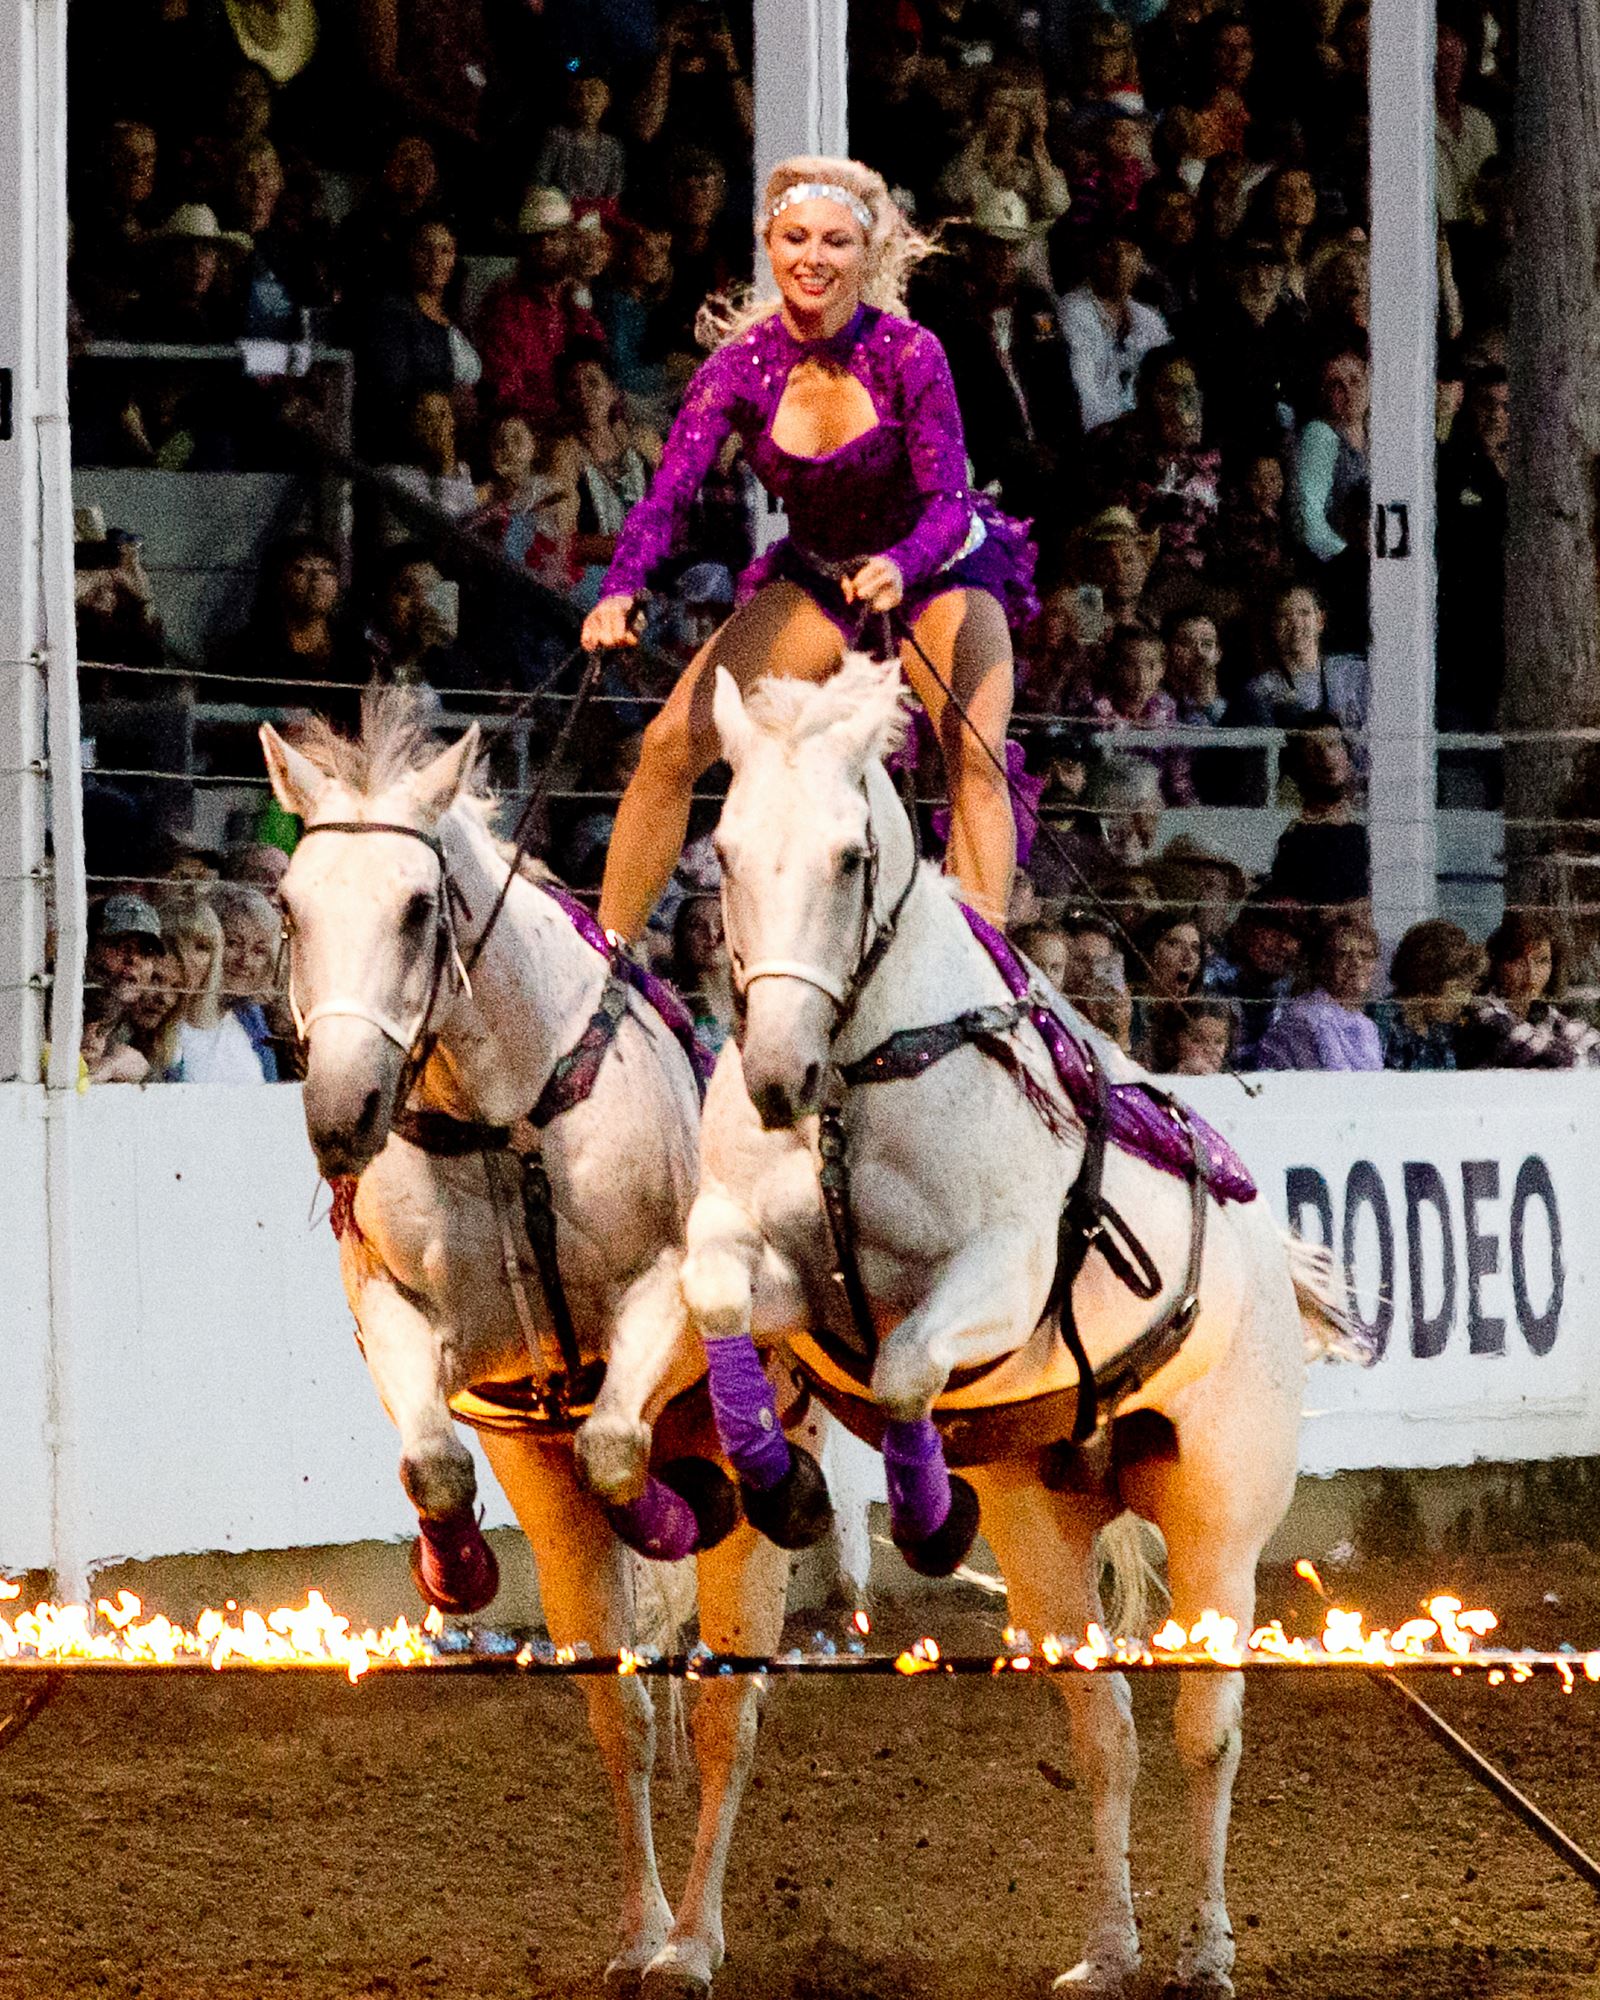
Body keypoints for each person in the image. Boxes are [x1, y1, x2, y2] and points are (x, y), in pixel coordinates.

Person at [581, 155, 1038, 934]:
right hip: (823, 580)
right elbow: (667, 498)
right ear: (770, 244)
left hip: (939, 567)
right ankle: (611, 955)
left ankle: (986, 967)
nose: (813, 259)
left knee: (972, 752)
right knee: (667, 743)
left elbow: (948, 501)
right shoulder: (736, 371)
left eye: (835, 241)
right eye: (795, 238)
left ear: (864, 255)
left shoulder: (909, 353)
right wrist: (621, 587)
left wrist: (902, 564)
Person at [477, 189, 606, 430]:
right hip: (532, 431)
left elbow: (599, 368)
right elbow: (504, 394)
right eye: (536, 239)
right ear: (522, 247)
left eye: (554, 236)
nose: (545, 246)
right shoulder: (505, 307)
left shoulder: (576, 304)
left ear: (569, 240)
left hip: (582, 427)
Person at [358, 216, 481, 458]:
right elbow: (393, 387)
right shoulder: (392, 313)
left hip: (463, 437)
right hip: (415, 442)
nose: (436, 260)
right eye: (425, 249)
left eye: (445, 250)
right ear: (408, 254)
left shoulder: (455, 315)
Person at [1058, 230, 1170, 435]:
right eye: (1109, 252)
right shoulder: (1074, 308)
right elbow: (1085, 392)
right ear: (1092, 257)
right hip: (1100, 436)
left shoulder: (1149, 320)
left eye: (1128, 251)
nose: (1120, 262)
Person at [1455, 914, 1600, 1069]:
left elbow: (1596, 1051)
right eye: (1517, 961)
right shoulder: (1483, 1013)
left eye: (1541, 961)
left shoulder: (1544, 1013)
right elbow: (1559, 1061)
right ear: (1497, 964)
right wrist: (1577, 1051)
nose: (1531, 972)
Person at [1264, 717, 1370, 915]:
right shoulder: (1294, 834)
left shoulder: (1369, 827)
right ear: (1298, 765)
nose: (1326, 755)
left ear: (1347, 755)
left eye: (1333, 745)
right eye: (1314, 749)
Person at [156, 896, 267, 1084]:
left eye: (201, 947)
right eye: (175, 945)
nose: (188, 958)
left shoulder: (248, 1018)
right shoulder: (154, 1024)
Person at [1255, 915, 1381, 1071]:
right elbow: (1327, 1086)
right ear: (1322, 964)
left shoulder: (1367, 1026)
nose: (1356, 963)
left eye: (1365, 955)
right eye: (1342, 954)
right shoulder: (1306, 1018)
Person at [1377, 918, 1483, 1070]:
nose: (1465, 999)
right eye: (1459, 988)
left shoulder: (1441, 1029)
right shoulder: (1383, 1024)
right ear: (1428, 983)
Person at [212, 880, 287, 1080]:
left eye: (259, 951)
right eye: (234, 943)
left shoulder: (252, 1019)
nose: (244, 960)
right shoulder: (176, 1018)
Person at [670, 893, 736, 1054]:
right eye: (696, 925)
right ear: (682, 940)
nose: (712, 933)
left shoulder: (759, 1003)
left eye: (720, 922)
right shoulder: (673, 1005)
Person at [1146, 994, 1236, 1075]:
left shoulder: (1234, 1083)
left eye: (1218, 1041)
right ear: (1175, 1040)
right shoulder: (1154, 1081)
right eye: (1197, 1040)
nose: (1209, 1049)